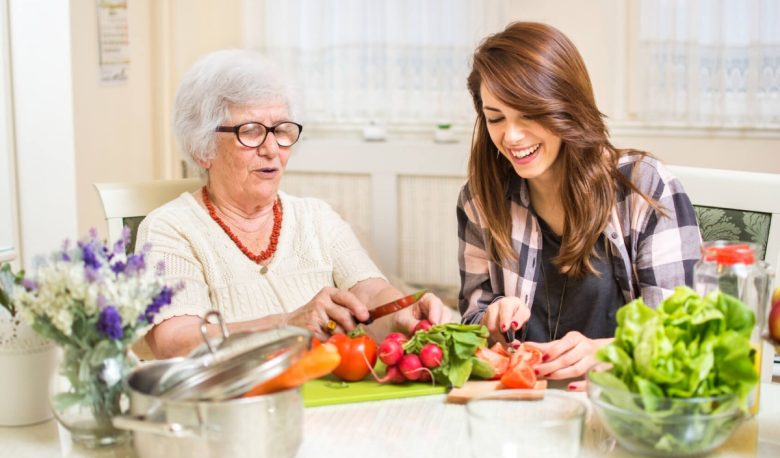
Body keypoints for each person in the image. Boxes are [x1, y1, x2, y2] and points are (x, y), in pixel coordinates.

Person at [136, 49, 449, 358]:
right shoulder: (171, 229)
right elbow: (174, 341)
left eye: (281, 130)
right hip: (238, 403)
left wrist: (401, 315)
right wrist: (286, 325)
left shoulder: (316, 217)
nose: (272, 149)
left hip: (330, 394)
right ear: (202, 147)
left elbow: (370, 292)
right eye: (251, 131)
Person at [457, 22, 701, 387]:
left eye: (528, 114)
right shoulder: (480, 199)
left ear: (565, 106)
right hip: (521, 406)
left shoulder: (643, 186)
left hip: (619, 406)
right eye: (496, 118)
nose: (511, 136)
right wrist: (491, 318)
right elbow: (473, 319)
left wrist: (608, 353)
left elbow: (682, 333)